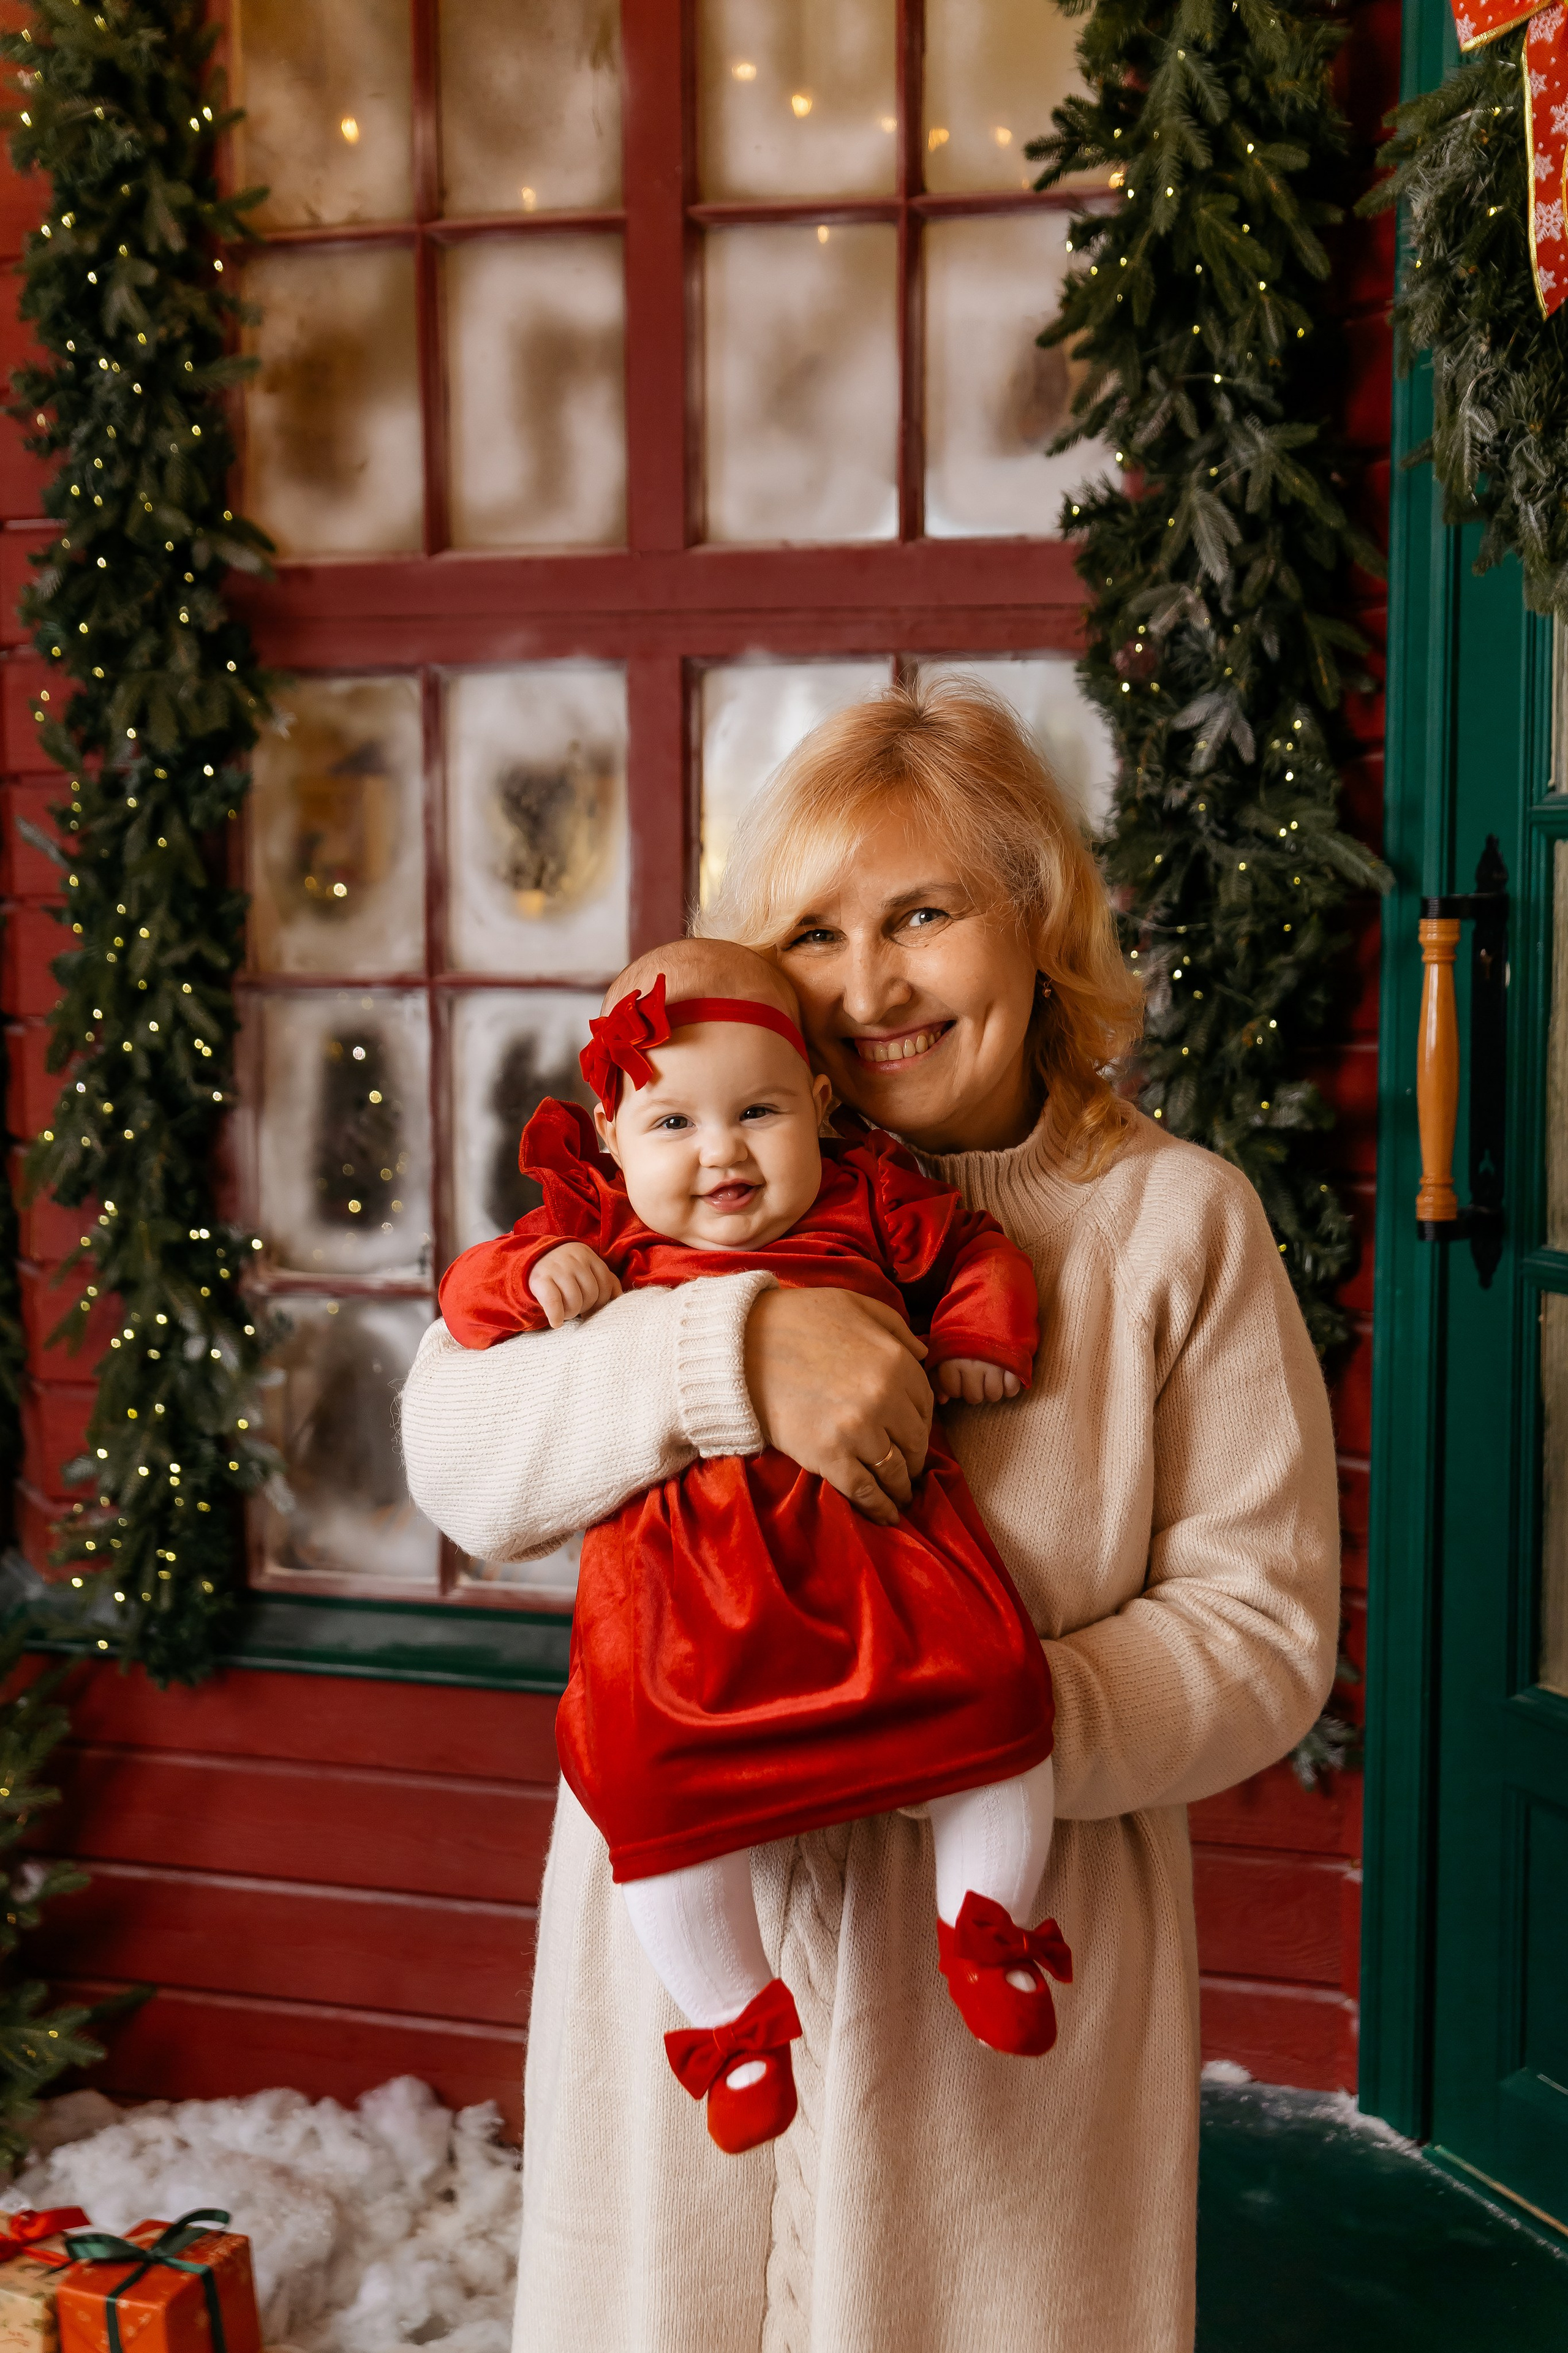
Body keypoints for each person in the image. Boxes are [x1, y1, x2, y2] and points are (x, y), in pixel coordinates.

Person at [401, 680, 1340, 2353]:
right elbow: (458, 1461)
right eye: (814, 935)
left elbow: (1260, 1635)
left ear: (1038, 922)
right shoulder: (650, 1191)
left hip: (996, 2056)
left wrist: (949, 1719)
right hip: (678, 2021)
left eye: (924, 915)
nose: (868, 989)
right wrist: (723, 1351)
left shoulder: (1174, 1226)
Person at [435, 937, 1065, 2156]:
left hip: (881, 1557)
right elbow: (470, 1302)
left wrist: (981, 1333)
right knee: (640, 1781)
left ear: (820, 1107)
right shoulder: (600, 1228)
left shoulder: (869, 1200)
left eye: (757, 1112)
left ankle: (988, 1926)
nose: (720, 1151)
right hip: (680, 1605)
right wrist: (538, 1270)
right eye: (673, 1122)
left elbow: (977, 1252)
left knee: (994, 1694)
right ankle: (734, 2021)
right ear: (611, 1138)